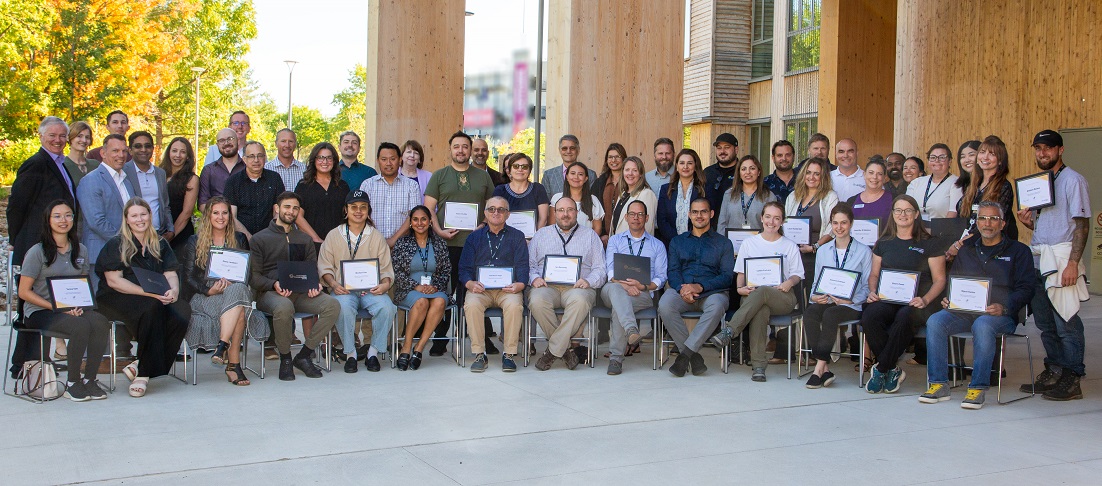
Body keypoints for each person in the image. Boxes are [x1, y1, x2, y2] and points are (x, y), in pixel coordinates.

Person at [920, 201, 1035, 409]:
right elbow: (956, 280)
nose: (987, 223)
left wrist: (1004, 307)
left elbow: (1027, 289)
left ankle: (977, 388)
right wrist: (949, 299)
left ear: (1003, 224)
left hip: (1000, 316)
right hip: (964, 312)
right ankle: (938, 384)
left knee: (983, 325)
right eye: (982, 218)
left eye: (993, 219)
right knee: (935, 321)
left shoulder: (1019, 251)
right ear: (977, 223)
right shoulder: (966, 250)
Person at [1016, 129, 1089, 401]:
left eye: (1047, 148)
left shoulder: (1073, 180)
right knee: (1046, 324)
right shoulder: (1041, 181)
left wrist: (1073, 263)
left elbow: (1081, 224)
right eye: (1037, 148)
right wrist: (1028, 223)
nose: (1042, 153)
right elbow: (1046, 224)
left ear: (1060, 150)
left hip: (1062, 259)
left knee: (1066, 321)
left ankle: (1073, 377)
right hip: (1038, 258)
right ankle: (1055, 371)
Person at [17, 200, 110, 401]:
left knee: (100, 322)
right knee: (80, 326)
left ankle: (90, 380)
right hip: (41, 311)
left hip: (73, 309)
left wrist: (78, 307)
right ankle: (73, 382)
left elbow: (82, 286)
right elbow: (24, 292)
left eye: (68, 215)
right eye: (57, 216)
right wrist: (56, 307)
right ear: (48, 220)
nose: (63, 220)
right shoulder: (37, 252)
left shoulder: (81, 250)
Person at [95, 198, 189, 397]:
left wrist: (173, 291)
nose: (140, 219)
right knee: (151, 307)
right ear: (127, 220)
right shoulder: (116, 244)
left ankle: (140, 363)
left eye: (143, 214)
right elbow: (114, 281)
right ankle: (143, 375)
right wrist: (149, 293)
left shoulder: (160, 243)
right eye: (134, 215)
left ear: (150, 216)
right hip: (115, 297)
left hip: (152, 297)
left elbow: (171, 273)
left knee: (182, 310)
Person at [250, 192, 340, 381]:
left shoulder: (304, 239)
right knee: (284, 306)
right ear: (277, 208)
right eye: (287, 207)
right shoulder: (259, 239)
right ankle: (286, 359)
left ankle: (304, 355)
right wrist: (273, 284)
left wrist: (314, 285)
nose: (291, 211)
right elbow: (254, 277)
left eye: (295, 208)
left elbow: (311, 270)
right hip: (270, 294)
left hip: (301, 293)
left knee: (332, 305)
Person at [862, 195, 946, 394]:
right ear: (892, 214)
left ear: (916, 214)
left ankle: (882, 368)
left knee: (904, 317)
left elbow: (940, 280)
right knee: (870, 315)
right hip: (888, 298)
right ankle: (892, 369)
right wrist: (873, 291)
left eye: (908, 210)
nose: (903, 215)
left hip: (918, 302)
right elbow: (874, 274)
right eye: (898, 210)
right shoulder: (884, 242)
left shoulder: (930, 243)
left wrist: (925, 299)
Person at [711, 202, 804, 382]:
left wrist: (789, 282)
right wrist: (740, 288)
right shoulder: (749, 243)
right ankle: (759, 367)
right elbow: (741, 273)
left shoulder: (789, 245)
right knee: (760, 309)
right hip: (752, 296)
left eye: (777, 218)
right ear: (761, 218)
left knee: (762, 293)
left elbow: (797, 275)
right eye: (768, 217)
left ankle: (730, 331)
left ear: (782, 221)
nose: (771, 221)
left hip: (782, 296)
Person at [179, 197, 266, 386]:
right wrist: (208, 289)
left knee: (238, 291)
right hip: (205, 295)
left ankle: (222, 346)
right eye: (216, 213)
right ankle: (232, 363)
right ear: (208, 216)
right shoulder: (195, 240)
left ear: (230, 216)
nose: (221, 217)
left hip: (235, 290)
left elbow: (247, 273)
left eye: (225, 213)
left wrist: (235, 282)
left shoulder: (240, 238)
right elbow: (188, 277)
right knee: (240, 308)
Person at [423, 131, 496, 356]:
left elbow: (493, 206)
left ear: (471, 150)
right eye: (457, 147)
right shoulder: (439, 175)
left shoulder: (483, 177)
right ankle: (440, 339)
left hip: (476, 245)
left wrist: (483, 224)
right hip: (446, 244)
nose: (461, 151)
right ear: (451, 149)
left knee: (475, 292)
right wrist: (439, 231)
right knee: (445, 292)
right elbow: (428, 208)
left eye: (465, 147)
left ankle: (482, 339)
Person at [318, 190, 396, 373]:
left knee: (387, 307)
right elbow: (325, 267)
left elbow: (386, 269)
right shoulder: (333, 236)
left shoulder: (376, 236)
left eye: (363, 207)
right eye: (354, 207)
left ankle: (373, 352)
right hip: (343, 290)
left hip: (371, 290)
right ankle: (351, 353)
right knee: (342, 308)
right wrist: (334, 284)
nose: (358, 211)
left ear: (369, 211)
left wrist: (385, 284)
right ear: (346, 210)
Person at [528, 197, 607, 371]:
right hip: (547, 287)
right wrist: (534, 278)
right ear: (554, 213)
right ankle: (564, 350)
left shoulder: (590, 236)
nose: (565, 214)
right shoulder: (541, 234)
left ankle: (552, 351)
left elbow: (601, 269)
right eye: (561, 210)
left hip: (578, 287)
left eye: (570, 210)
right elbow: (530, 265)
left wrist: (588, 281)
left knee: (580, 301)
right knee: (536, 300)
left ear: (577, 213)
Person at [800, 203, 872, 388]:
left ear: (851, 224)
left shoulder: (864, 251)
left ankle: (819, 368)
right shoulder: (823, 250)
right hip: (828, 299)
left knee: (830, 315)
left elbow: (866, 286)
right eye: (835, 223)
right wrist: (815, 296)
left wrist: (851, 299)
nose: (839, 228)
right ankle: (825, 369)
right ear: (830, 224)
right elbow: (817, 281)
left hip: (851, 304)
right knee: (810, 312)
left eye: (844, 223)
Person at [659, 198, 733, 377]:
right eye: (695, 212)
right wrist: (682, 289)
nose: (699, 216)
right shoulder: (678, 242)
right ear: (689, 215)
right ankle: (693, 357)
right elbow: (673, 271)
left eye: (703, 211)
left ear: (711, 214)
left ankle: (684, 355)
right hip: (682, 291)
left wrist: (700, 286)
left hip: (712, 293)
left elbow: (727, 276)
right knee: (665, 304)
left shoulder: (724, 243)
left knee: (717, 306)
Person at [459, 197, 530, 373]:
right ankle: (479, 354)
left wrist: (520, 285)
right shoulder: (474, 237)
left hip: (507, 289)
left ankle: (509, 354)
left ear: (508, 214)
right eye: (491, 209)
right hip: (480, 289)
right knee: (472, 304)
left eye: (500, 209)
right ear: (485, 213)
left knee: (515, 306)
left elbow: (523, 264)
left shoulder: (517, 236)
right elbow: (464, 267)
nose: (496, 213)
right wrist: (470, 283)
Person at [602, 200, 667, 375]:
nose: (636, 218)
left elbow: (661, 278)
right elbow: (610, 272)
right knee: (618, 293)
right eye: (632, 214)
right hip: (613, 288)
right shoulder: (615, 241)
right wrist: (625, 286)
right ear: (626, 217)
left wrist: (643, 286)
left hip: (642, 293)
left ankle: (616, 358)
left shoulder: (657, 245)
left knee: (620, 307)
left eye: (640, 214)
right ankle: (630, 330)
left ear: (646, 218)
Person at [9, 117, 78, 265]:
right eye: (52, 135)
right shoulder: (35, 164)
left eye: (62, 135)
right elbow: (17, 205)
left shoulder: (59, 163)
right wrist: (14, 238)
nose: (57, 140)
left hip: (57, 239)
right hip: (38, 240)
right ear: (41, 136)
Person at [391, 205, 452, 370]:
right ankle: (406, 346)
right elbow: (396, 271)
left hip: (435, 287)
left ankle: (419, 348)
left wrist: (435, 286)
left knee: (440, 302)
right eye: (415, 219)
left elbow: (446, 270)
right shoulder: (402, 243)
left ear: (430, 221)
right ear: (410, 222)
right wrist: (416, 286)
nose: (420, 223)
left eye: (423, 219)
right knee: (422, 302)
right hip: (408, 289)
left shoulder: (439, 243)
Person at [77, 134, 137, 270]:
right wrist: (125, 243)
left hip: (126, 256)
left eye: (124, 151)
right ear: (103, 153)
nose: (121, 155)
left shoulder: (126, 180)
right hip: (101, 254)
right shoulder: (91, 180)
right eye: (115, 151)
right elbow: (96, 221)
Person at [784, 157, 839, 287]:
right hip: (793, 253)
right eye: (808, 172)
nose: (811, 177)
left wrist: (815, 247)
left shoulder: (830, 197)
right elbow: (785, 222)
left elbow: (832, 228)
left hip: (815, 254)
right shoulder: (793, 196)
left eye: (816, 174)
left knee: (810, 291)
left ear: (823, 177)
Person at [952, 136, 1018, 242]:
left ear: (1000, 161)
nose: (985, 157)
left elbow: (993, 222)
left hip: (990, 247)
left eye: (992, 154)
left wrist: (961, 244)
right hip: (966, 245)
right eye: (982, 152)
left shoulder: (1003, 186)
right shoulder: (973, 185)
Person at [359, 142, 421, 246]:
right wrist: (377, 240)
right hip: (372, 243)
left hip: (404, 245)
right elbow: (361, 214)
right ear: (378, 161)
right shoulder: (367, 185)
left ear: (400, 160)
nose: (388, 163)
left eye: (393, 159)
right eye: (384, 159)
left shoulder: (412, 185)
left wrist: (393, 240)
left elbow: (414, 216)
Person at [294, 142, 350, 247]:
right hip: (311, 244)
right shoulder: (303, 186)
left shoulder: (342, 186)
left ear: (334, 161)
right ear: (314, 160)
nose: (325, 161)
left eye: (329, 158)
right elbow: (298, 216)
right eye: (320, 157)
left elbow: (348, 215)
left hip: (338, 244)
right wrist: (317, 239)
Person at [224, 141, 285, 238]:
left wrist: (268, 235)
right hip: (241, 239)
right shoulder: (233, 182)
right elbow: (232, 216)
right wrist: (249, 238)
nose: (256, 160)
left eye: (260, 156)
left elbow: (278, 212)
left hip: (270, 238)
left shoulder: (275, 179)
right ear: (244, 159)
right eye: (251, 156)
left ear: (265, 158)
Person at [125, 131, 174, 241]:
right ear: (130, 150)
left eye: (147, 146)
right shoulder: (123, 172)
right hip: (132, 235)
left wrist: (170, 229)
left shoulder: (160, 173)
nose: (143, 150)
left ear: (153, 149)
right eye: (138, 146)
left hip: (157, 234)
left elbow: (165, 205)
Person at [656, 148, 705, 246]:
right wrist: (677, 241)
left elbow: (706, 218)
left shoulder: (704, 189)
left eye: (690, 163)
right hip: (672, 244)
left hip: (698, 243)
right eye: (682, 163)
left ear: (695, 166)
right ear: (677, 167)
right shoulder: (665, 189)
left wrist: (691, 239)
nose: (685, 167)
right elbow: (662, 220)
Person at [159, 137, 199, 256]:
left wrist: (170, 235)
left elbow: (187, 213)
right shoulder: (159, 174)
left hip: (180, 234)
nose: (178, 155)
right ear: (169, 153)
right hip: (159, 231)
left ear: (188, 156)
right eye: (174, 151)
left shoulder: (192, 179)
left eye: (183, 152)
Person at [717, 155, 776, 232]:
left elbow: (773, 225)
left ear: (758, 172)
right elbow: (722, 223)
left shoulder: (769, 196)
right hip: (731, 242)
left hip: (757, 243)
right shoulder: (729, 194)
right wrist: (723, 243)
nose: (747, 172)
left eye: (752, 168)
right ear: (739, 173)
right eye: (743, 169)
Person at [493, 153, 551, 229]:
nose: (520, 169)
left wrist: (535, 238)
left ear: (529, 170)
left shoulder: (538, 189)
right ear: (509, 170)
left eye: (524, 167)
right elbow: (495, 216)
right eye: (516, 166)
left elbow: (543, 219)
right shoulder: (500, 190)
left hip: (534, 238)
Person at [905, 144, 961, 221]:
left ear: (950, 161)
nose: (937, 161)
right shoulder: (916, 183)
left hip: (942, 229)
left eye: (942, 157)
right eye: (933, 158)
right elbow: (906, 208)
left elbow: (953, 212)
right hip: (916, 229)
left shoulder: (956, 183)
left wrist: (940, 232)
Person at [608, 156, 657, 236]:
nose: (630, 173)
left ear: (641, 174)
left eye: (635, 170)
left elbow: (647, 227)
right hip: (617, 244)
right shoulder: (623, 194)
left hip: (635, 246)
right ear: (623, 172)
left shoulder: (647, 194)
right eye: (627, 170)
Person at [550, 161, 604, 234]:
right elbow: (552, 226)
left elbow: (597, 228)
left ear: (586, 179)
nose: (576, 177)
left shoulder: (593, 200)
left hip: (586, 243)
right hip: (560, 243)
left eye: (580, 174)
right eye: (572, 173)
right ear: (567, 177)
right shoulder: (557, 198)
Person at [198, 128, 246, 207]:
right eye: (221, 140)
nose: (226, 143)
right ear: (217, 145)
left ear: (238, 141)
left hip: (243, 218)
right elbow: (202, 204)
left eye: (230, 139)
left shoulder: (247, 168)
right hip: (216, 218)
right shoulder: (209, 171)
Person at [592, 143, 628, 239]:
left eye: (617, 157)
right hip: (604, 237)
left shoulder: (630, 180)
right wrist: (603, 234)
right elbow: (594, 210)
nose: (613, 160)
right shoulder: (599, 183)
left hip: (626, 235)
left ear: (624, 159)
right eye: (610, 157)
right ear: (606, 160)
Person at [703, 133, 739, 226]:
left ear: (736, 149)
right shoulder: (708, 172)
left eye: (727, 147)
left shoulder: (743, 172)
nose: (722, 151)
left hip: (735, 228)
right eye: (719, 148)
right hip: (709, 229)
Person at [847, 157, 893, 223]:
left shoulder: (893, 199)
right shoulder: (852, 201)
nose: (874, 177)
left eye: (879, 174)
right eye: (871, 173)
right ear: (864, 174)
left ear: (884, 178)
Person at [63, 121, 100, 186]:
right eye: (79, 136)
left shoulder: (96, 165)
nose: (84, 140)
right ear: (69, 138)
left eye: (87, 137)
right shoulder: (62, 166)